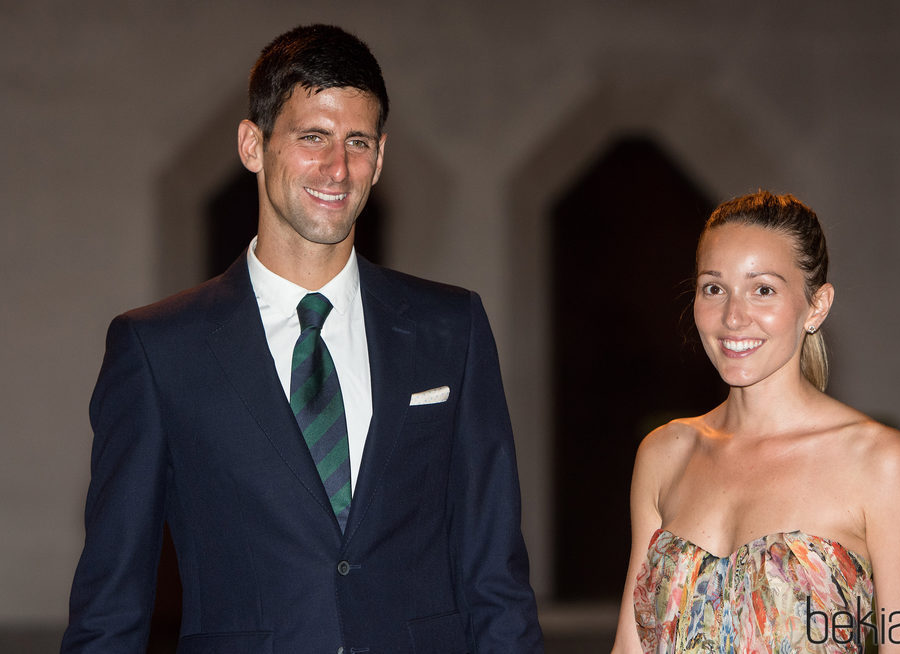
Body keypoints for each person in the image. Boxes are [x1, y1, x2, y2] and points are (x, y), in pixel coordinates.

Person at [62, 24, 542, 653]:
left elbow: (496, 576)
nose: (337, 168)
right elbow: (112, 604)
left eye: (358, 141)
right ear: (252, 145)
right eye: (312, 137)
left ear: (380, 155)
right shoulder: (158, 350)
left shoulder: (451, 328)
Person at [611, 191, 900, 653]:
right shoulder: (664, 453)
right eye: (714, 288)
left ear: (816, 306)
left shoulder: (880, 463)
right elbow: (630, 645)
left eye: (763, 289)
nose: (733, 317)